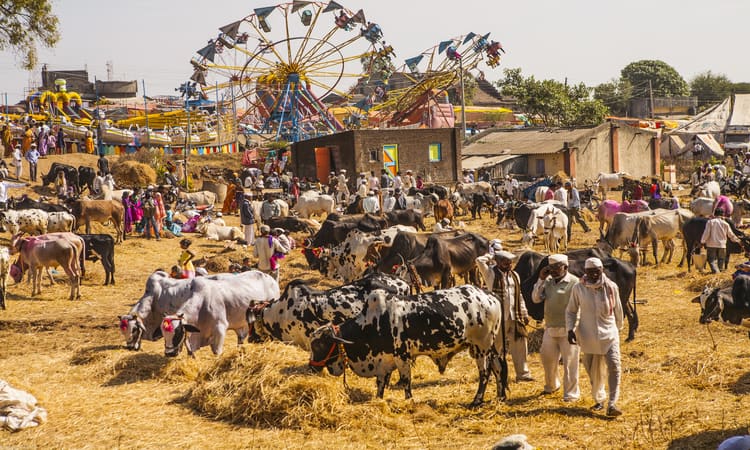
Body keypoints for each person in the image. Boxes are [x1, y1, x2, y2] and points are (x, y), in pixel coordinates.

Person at [566, 257, 623, 417]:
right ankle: (599, 398)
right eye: (590, 272)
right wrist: (570, 329)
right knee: (592, 370)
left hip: (609, 335)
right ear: (585, 272)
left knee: (614, 367)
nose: (593, 275)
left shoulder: (611, 287)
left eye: (596, 271)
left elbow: (618, 310)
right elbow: (570, 310)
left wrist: (617, 330)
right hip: (587, 336)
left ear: (601, 270)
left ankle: (612, 404)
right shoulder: (578, 288)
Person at [532, 254, 580, 401]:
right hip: (551, 327)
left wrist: (576, 327)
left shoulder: (574, 282)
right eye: (551, 267)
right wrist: (540, 279)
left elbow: (580, 305)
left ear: (565, 267)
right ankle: (551, 386)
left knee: (570, 363)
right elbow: (535, 298)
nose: (553, 270)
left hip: (569, 330)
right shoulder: (547, 281)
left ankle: (571, 394)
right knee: (547, 359)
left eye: (556, 267)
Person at [491, 250, 533, 383]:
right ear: (497, 262)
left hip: (515, 315)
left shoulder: (514, 275)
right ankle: (493, 373)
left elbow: (518, 295)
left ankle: (523, 374)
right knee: (496, 345)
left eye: (510, 261)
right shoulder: (491, 274)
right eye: (505, 261)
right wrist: (491, 256)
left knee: (520, 344)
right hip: (498, 317)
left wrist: (524, 312)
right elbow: (479, 262)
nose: (509, 264)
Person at [701, 208, 741, 273]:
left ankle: (716, 273)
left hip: (711, 245)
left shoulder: (710, 222)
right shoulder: (725, 224)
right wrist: (738, 241)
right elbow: (731, 235)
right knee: (721, 260)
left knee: (712, 260)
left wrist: (702, 242)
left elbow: (706, 233)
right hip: (722, 245)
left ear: (714, 214)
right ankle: (720, 272)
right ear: (723, 215)